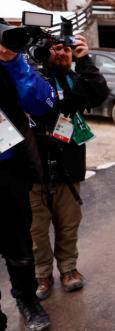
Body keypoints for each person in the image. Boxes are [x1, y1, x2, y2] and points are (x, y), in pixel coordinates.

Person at [29, 34, 109, 300]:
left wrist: (84, 59)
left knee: (68, 224)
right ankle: (41, 275)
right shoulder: (29, 77)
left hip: (68, 165)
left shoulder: (73, 79)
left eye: (64, 49)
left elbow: (99, 92)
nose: (60, 54)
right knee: (36, 230)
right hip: (33, 169)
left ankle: (68, 269)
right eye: (53, 50)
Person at [0, 23, 56, 331]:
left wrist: (13, 62)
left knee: (19, 245)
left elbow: (41, 103)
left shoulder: (11, 62)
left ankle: (27, 300)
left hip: (8, 167)